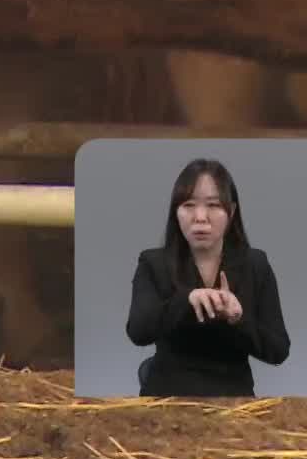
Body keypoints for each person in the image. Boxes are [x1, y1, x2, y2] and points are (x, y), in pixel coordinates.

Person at [125, 157, 292, 397]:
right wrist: (186, 300)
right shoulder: (153, 263)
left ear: (231, 211)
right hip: (166, 397)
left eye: (213, 205)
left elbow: (278, 350)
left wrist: (238, 318)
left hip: (234, 403)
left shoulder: (255, 265)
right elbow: (138, 332)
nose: (200, 217)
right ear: (176, 212)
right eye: (189, 205)